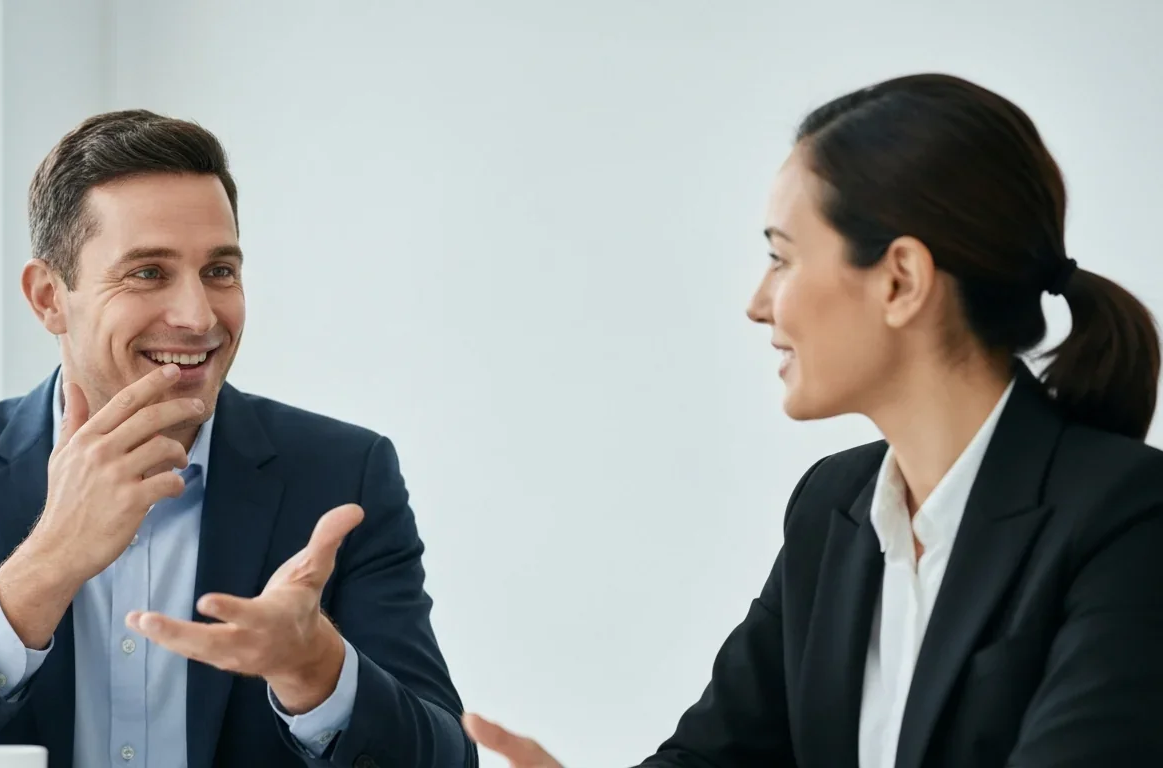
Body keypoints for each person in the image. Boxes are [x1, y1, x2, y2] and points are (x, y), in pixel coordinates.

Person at [464, 73, 1163, 767]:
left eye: (781, 258)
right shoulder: (831, 510)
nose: (758, 302)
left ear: (901, 281)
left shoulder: (1129, 518)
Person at [0, 110, 478, 768]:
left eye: (219, 270)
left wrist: (319, 673)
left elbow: (449, 760)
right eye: (149, 273)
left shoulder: (343, 474)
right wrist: (43, 567)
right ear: (48, 297)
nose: (198, 316)